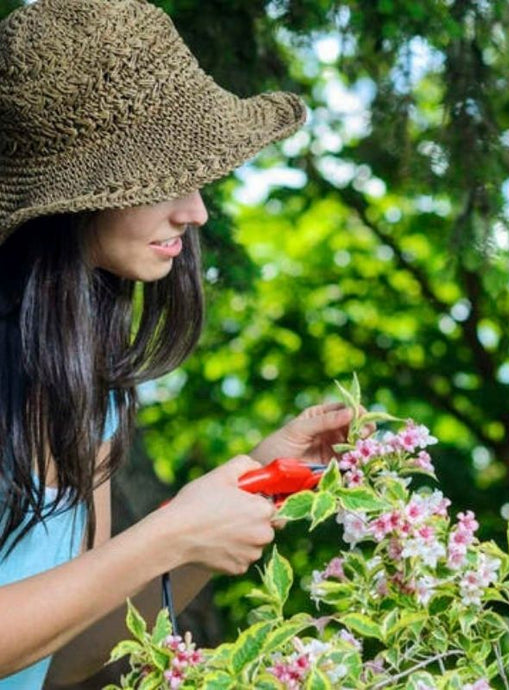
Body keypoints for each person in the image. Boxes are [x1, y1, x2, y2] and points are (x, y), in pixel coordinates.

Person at [0, 0, 354, 686]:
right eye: (166, 180)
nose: (195, 211)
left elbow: (59, 661)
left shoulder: (88, 393)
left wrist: (250, 488)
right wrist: (168, 533)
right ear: (79, 192)